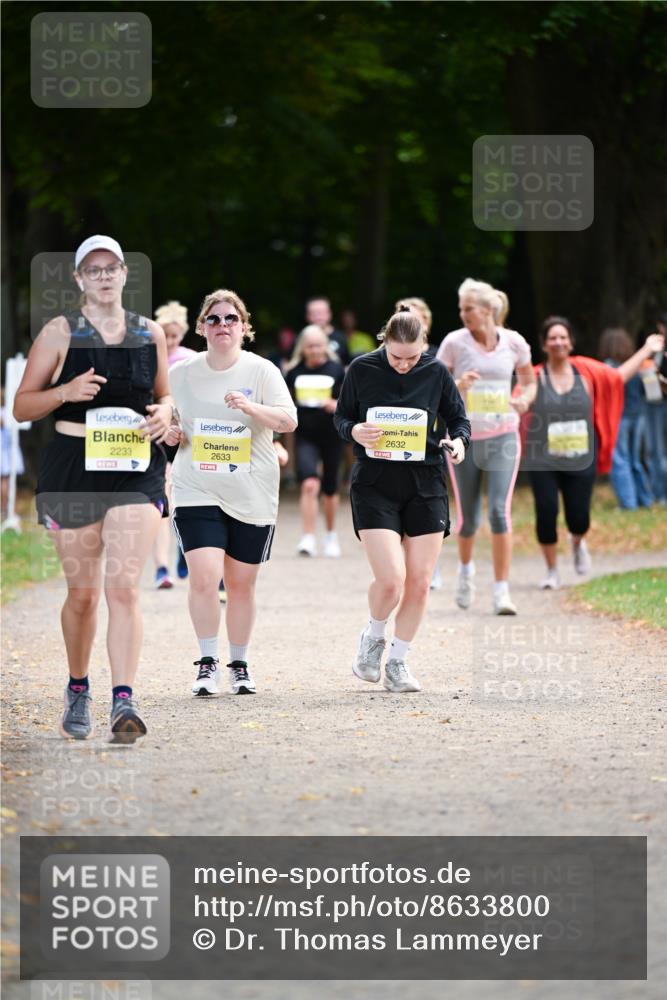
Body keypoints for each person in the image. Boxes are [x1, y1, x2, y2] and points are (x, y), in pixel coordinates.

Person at [13, 235, 173, 743]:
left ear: (125, 274)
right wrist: (64, 392)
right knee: (82, 596)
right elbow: (21, 407)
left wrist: (168, 413)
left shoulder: (150, 334)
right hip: (72, 470)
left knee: (122, 588)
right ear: (79, 279)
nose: (104, 276)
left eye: (112, 268)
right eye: (93, 269)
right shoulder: (59, 333)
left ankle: (123, 701)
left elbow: (164, 397)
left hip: (135, 469)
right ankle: (78, 686)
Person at [167, 289, 297, 697]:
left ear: (244, 327)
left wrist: (251, 408)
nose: (222, 325)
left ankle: (238, 663)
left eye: (231, 319)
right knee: (204, 577)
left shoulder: (262, 371)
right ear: (202, 327)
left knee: (240, 585)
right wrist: (171, 432)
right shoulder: (181, 373)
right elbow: (171, 421)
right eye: (214, 319)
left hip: (251, 489)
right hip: (196, 486)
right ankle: (207, 663)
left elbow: (288, 421)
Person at [334, 308, 470, 693]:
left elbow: (459, 420)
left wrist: (458, 443)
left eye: (412, 357)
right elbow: (342, 419)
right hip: (374, 484)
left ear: (424, 347)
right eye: (397, 357)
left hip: (425, 483)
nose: (405, 365)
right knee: (392, 580)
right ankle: (373, 637)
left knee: (420, 582)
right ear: (384, 343)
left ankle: (398, 661)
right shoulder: (361, 369)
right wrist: (355, 430)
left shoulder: (436, 372)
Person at [523, 316, 664, 588]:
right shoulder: (535, 375)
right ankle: (552, 571)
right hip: (543, 458)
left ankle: (578, 542)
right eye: (552, 337)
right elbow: (520, 398)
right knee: (546, 511)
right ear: (544, 344)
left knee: (579, 517)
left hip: (580, 457)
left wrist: (647, 349)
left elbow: (618, 377)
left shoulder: (586, 370)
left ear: (571, 342)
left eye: (563, 337)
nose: (558, 342)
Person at [437, 278, 536, 615]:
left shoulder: (514, 342)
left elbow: (529, 381)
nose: (462, 314)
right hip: (462, 439)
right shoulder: (454, 343)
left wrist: (523, 399)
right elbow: (433, 389)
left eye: (468, 308)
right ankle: (465, 573)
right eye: (461, 308)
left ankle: (501, 592)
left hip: (503, 434)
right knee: (467, 518)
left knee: (498, 511)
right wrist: (457, 384)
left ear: (488, 310)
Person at [284, 325, 345, 557]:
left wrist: (335, 404)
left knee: (330, 488)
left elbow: (349, 403)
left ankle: (331, 536)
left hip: (331, 434)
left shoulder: (337, 370)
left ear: (326, 346)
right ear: (303, 348)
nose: (315, 350)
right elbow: (285, 403)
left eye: (319, 345)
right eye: (310, 346)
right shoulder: (294, 372)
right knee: (309, 484)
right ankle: (308, 537)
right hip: (305, 436)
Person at [152, 300, 197, 587]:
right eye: (165, 335)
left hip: (185, 433)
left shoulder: (191, 359)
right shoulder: (149, 357)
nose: (170, 341)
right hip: (157, 432)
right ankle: (161, 567)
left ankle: (184, 549)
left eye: (175, 336)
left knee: (182, 498)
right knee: (162, 499)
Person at [599, 327, 652, 510]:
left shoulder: (608, 366)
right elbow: (652, 393)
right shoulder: (641, 365)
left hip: (619, 418)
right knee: (636, 459)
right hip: (639, 416)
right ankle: (645, 500)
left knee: (620, 460)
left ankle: (628, 504)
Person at [305, 296, 350, 367]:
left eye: (321, 312)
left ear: (329, 314)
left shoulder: (341, 337)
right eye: (314, 313)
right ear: (307, 316)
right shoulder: (302, 338)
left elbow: (347, 364)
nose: (318, 317)